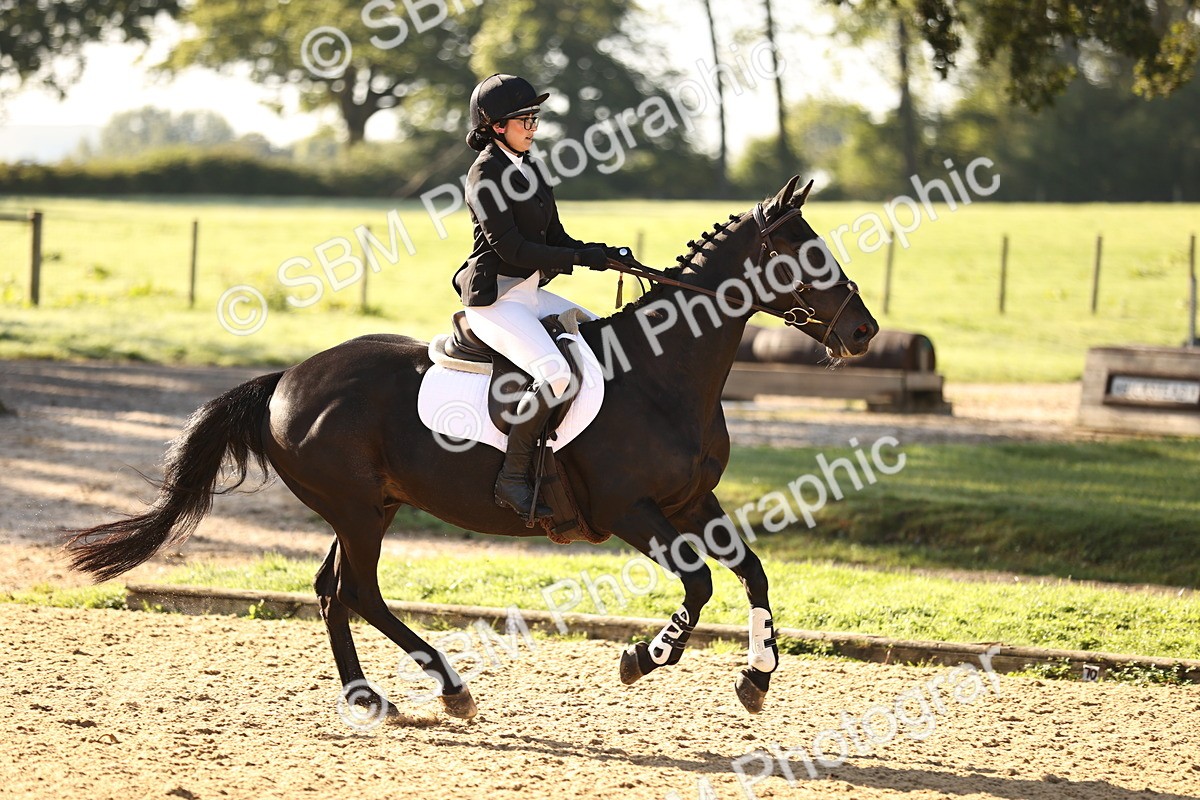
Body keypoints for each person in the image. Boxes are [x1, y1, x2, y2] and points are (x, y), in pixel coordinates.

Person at [453, 73, 633, 521]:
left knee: (602, 338)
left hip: (530, 294)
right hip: (495, 299)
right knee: (554, 375)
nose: (533, 126)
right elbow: (511, 248)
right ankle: (512, 477)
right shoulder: (485, 173)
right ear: (497, 126)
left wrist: (600, 253)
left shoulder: (531, 166)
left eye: (534, 117)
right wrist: (577, 257)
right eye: (524, 119)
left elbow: (555, 236)